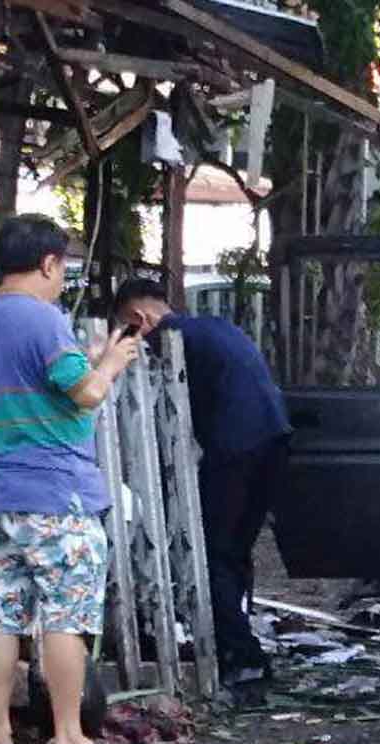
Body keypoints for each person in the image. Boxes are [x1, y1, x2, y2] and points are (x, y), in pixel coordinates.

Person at [0, 215, 139, 744]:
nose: (63, 279)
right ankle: (69, 737)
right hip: (58, 496)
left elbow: (42, 390)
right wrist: (110, 364)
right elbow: (85, 393)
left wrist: (91, 365)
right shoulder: (43, 319)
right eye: (63, 267)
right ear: (47, 263)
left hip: (3, 494)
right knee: (66, 617)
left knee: (2, 613)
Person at [113, 277, 292, 691]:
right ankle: (238, 641)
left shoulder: (168, 339)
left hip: (233, 448)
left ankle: (242, 656)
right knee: (236, 548)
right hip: (273, 438)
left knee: (211, 552)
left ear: (140, 318)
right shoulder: (214, 327)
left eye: (127, 329)